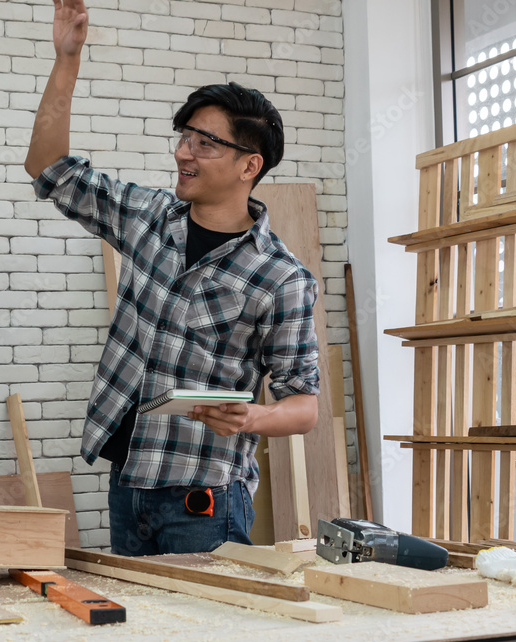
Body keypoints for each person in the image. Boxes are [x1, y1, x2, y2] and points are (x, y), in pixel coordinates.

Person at [25, 0, 320, 557]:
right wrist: (67, 59)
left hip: (204, 501)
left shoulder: (281, 278)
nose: (184, 152)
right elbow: (47, 167)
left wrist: (253, 415)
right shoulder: (147, 217)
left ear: (248, 166)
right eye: (184, 137)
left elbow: (303, 405)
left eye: (204, 143)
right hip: (127, 481)